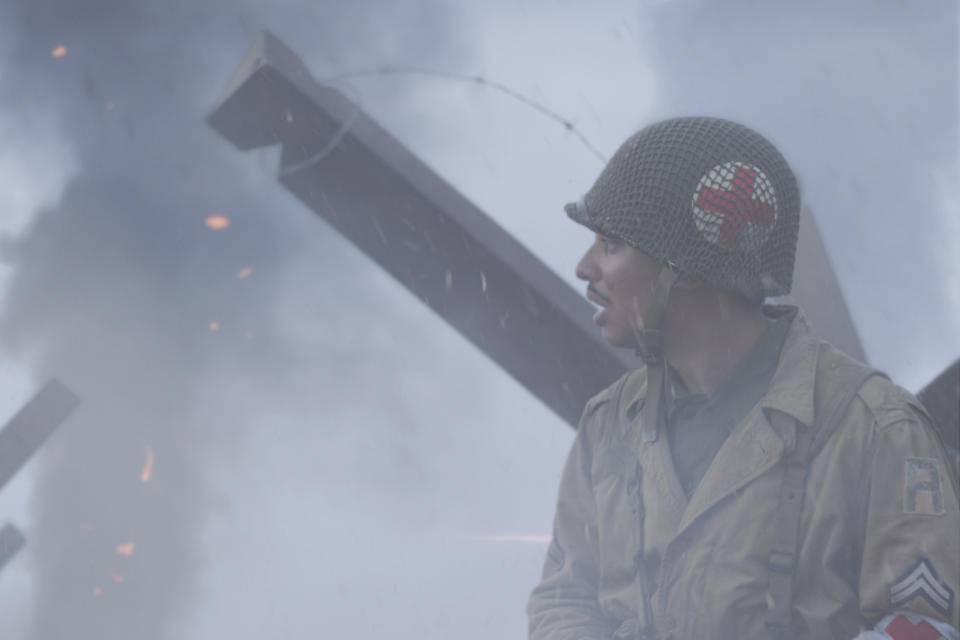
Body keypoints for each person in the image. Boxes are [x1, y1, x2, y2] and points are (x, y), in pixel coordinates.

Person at [526, 117, 959, 640]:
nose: (584, 267)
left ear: (684, 267)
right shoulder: (608, 425)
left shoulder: (876, 430)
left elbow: (920, 628)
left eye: (611, 243)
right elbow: (565, 601)